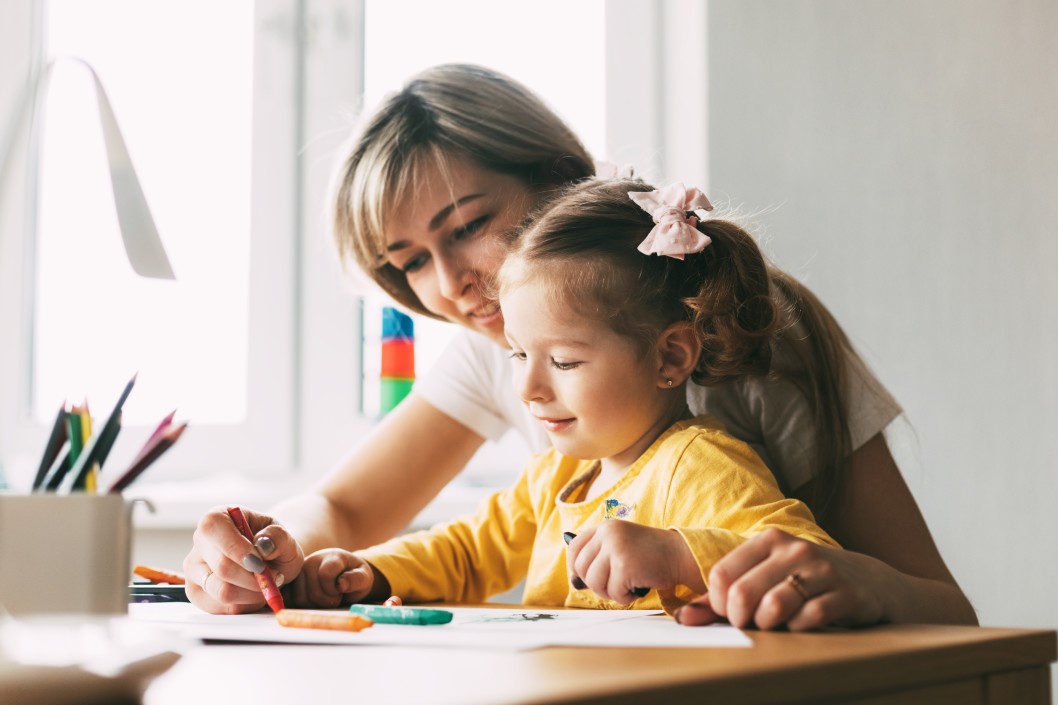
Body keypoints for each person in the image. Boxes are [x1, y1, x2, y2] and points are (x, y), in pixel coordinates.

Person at [184, 63, 976, 629]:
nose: (454, 283)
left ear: (560, 181)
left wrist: (844, 579)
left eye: (467, 228)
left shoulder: (751, 335)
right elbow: (352, 508)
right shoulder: (502, 348)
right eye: (411, 262)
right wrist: (261, 550)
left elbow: (944, 608)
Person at [284, 177, 837, 611]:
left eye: (565, 361)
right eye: (520, 355)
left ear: (670, 357)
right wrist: (371, 571)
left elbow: (811, 563)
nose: (527, 389)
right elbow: (466, 552)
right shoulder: (556, 477)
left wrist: (679, 555)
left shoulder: (700, 467)